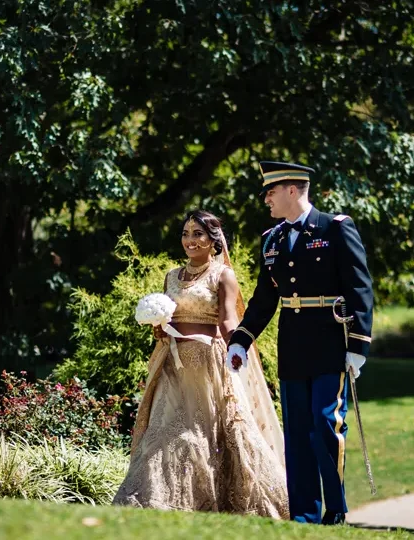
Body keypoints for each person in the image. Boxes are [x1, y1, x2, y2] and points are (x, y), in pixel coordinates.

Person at [112, 210, 289, 519]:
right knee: (164, 433)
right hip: (173, 366)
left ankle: (237, 501)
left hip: (209, 365)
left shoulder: (223, 275)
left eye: (198, 234)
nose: (190, 240)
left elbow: (228, 321)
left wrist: (238, 348)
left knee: (212, 433)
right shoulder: (171, 276)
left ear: (213, 240)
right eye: (185, 234)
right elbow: (170, 318)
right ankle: (154, 500)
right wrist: (159, 327)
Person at [226, 161, 374, 525]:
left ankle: (335, 509)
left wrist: (358, 345)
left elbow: (360, 287)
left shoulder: (335, 228)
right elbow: (264, 298)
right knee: (297, 434)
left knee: (326, 424)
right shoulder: (272, 239)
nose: (266, 199)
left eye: (271, 192)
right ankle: (304, 516)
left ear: (292, 190)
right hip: (292, 344)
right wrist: (241, 339)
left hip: (331, 342)